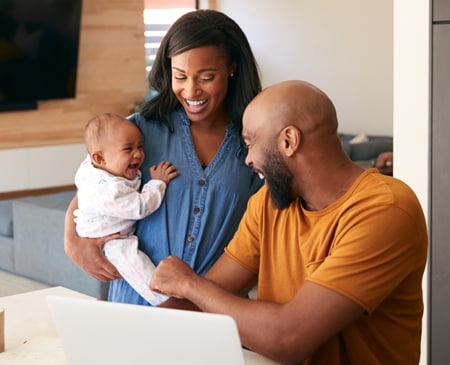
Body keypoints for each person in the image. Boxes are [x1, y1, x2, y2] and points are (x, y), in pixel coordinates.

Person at [150, 80, 428, 364]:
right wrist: (133, 330)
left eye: (250, 143)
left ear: (288, 141)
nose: (247, 159)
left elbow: (288, 338)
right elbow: (212, 294)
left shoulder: (385, 210)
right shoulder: (268, 203)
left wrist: (189, 284)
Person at [64, 9, 263, 305]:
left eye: (206, 77)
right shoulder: (137, 132)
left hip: (215, 312)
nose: (191, 90)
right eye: (180, 76)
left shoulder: (255, 141)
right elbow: (92, 191)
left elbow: (263, 239)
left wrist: (197, 300)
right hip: (135, 309)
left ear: (232, 67)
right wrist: (73, 244)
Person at [74, 112, 178, 304]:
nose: (138, 154)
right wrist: (157, 183)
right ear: (99, 158)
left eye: (140, 146)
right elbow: (140, 207)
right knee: (135, 264)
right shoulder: (111, 190)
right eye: (127, 149)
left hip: (99, 228)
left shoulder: (94, 166)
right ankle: (162, 299)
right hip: (109, 239)